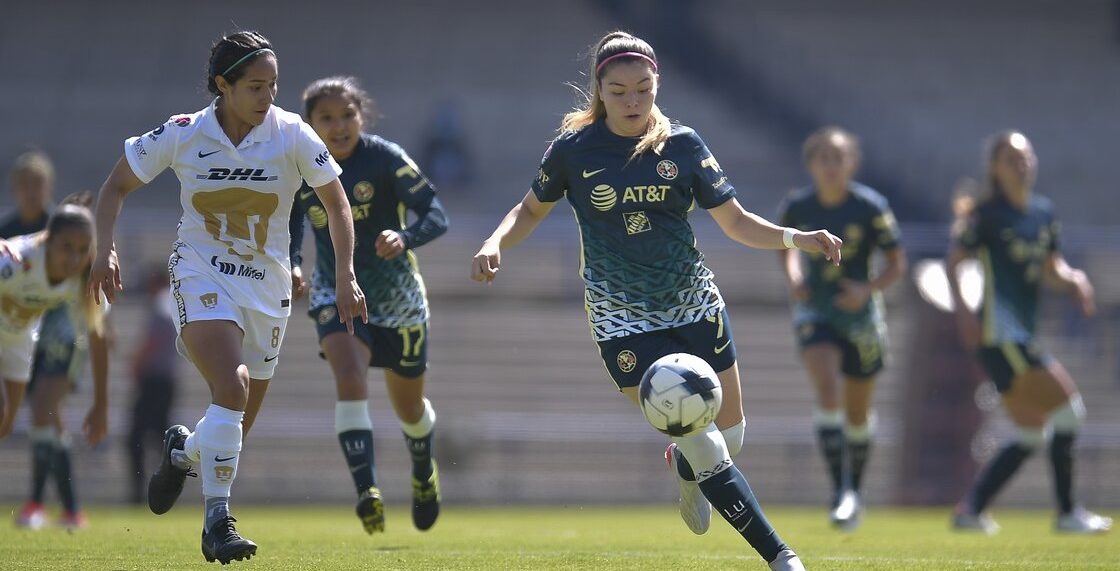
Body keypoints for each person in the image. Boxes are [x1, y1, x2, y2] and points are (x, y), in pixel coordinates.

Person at [470, 31, 843, 571]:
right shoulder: (574, 151)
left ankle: (686, 472)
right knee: (704, 439)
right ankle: (780, 556)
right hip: (622, 318)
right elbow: (529, 209)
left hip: (693, 301)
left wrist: (795, 237)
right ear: (599, 89)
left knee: (730, 434)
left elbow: (736, 221)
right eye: (619, 91)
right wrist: (494, 240)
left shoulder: (685, 144)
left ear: (656, 86)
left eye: (643, 89)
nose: (632, 102)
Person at [87, 30, 367, 564]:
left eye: (274, 85)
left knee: (233, 421)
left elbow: (337, 204)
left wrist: (347, 272)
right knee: (233, 385)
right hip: (200, 273)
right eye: (257, 86)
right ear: (223, 85)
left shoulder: (291, 133)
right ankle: (218, 521)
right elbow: (115, 186)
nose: (269, 96)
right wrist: (106, 252)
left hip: (268, 286)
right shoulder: (184, 133)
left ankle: (183, 452)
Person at [289, 76, 448, 534]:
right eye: (326, 118)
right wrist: (295, 264)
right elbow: (291, 224)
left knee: (409, 410)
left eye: (347, 116)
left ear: (362, 115)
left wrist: (406, 236)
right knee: (349, 373)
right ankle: (368, 492)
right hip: (335, 290)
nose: (338, 126)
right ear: (310, 124)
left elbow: (437, 214)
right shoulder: (302, 166)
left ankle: (423, 473)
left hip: (398, 297)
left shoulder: (385, 158)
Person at [947, 131, 1111, 535]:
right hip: (1001, 335)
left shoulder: (1042, 213)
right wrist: (965, 312)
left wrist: (1076, 281)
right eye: (1011, 159)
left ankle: (971, 511)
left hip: (1022, 334)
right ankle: (1068, 512)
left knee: (1029, 432)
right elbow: (955, 261)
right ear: (996, 169)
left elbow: (1053, 269)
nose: (1022, 164)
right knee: (1069, 413)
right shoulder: (987, 215)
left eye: (1026, 156)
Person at [777, 127, 906, 529]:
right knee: (827, 386)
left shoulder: (870, 207)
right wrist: (796, 278)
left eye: (838, 158)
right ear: (811, 164)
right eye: (823, 158)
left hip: (861, 317)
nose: (831, 166)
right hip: (816, 309)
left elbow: (897, 264)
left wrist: (866, 289)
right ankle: (840, 492)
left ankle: (855, 490)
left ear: (851, 162)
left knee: (857, 412)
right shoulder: (798, 206)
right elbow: (787, 250)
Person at [0, 192, 111, 530]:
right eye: (67, 247)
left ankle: (64, 510)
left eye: (82, 249)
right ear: (48, 240)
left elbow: (97, 336)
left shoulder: (83, 276)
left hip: (19, 340)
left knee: (4, 425)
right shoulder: (15, 261)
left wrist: (101, 405)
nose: (74, 258)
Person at [126, 267, 179, 505]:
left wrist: (136, 364)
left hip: (153, 381)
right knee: (160, 438)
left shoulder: (160, 304)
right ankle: (166, 489)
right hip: (167, 381)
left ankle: (142, 492)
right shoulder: (173, 304)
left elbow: (151, 342)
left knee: (136, 438)